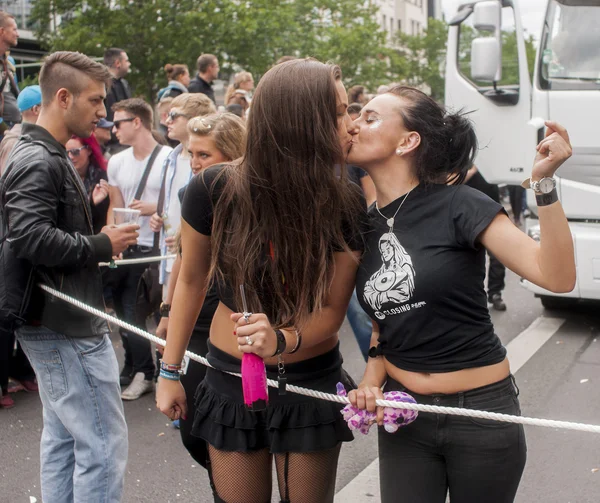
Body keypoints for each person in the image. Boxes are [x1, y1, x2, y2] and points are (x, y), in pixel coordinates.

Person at [346, 86, 575, 503]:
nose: (354, 124)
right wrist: (370, 382)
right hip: (406, 418)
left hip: (481, 415)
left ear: (408, 141)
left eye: (370, 117)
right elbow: (387, 322)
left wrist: (542, 183)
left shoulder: (461, 204)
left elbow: (556, 277)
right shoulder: (364, 225)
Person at [156, 59, 364, 503]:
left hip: (309, 383)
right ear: (302, 122)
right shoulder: (214, 187)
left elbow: (331, 310)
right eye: (340, 113)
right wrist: (169, 371)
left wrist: (282, 340)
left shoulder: (344, 200)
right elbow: (191, 281)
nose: (352, 126)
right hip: (230, 381)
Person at [1, 50, 139, 502]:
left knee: (64, 440)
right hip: (64, 325)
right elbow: (31, 239)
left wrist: (98, 238)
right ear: (63, 98)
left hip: (56, 322)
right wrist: (103, 244)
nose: (103, 111)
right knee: (100, 444)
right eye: (96, 100)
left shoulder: (40, 152)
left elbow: (37, 235)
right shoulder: (38, 158)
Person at [156, 111, 246, 462]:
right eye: (190, 153)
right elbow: (184, 261)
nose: (193, 162)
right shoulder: (191, 191)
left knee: (230, 431)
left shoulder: (251, 197)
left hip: (231, 319)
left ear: (233, 152)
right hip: (195, 317)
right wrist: (167, 310)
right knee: (194, 431)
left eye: (203, 155)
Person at [107, 97, 172, 399]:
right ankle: (143, 370)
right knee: (127, 314)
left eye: (118, 122)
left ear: (137, 122)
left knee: (162, 314)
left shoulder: (169, 158)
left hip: (160, 249)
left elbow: (182, 204)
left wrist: (155, 208)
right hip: (129, 248)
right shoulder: (116, 161)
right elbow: (116, 206)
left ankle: (164, 371)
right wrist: (111, 239)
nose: (113, 128)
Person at [149, 93, 216, 305]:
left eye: (174, 115)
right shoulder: (170, 158)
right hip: (168, 261)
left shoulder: (213, 162)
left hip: (196, 266)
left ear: (195, 118)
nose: (166, 121)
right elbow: (171, 205)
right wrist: (159, 216)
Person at [465, 165, 507, 311]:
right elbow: (451, 180)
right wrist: (476, 169)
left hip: (493, 215)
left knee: (498, 258)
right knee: (469, 261)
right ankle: (472, 298)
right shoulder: (465, 160)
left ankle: (495, 293)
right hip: (469, 217)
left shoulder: (491, 163)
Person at [66, 134, 110, 233]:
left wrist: (92, 204)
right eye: (66, 153)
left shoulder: (103, 178)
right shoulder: (63, 177)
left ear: (89, 150)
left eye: (75, 152)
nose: (70, 157)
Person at [0, 84, 41, 174]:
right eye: (46, 106)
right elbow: (7, 183)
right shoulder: (13, 143)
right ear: (36, 109)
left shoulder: (37, 136)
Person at [0, 12, 20, 135]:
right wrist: (4, 130)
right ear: (2, 31)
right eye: (14, 29)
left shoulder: (10, 63)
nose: (17, 34)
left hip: (15, 129)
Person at [103, 47, 131, 121]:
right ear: (118, 63)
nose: (129, 64)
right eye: (127, 61)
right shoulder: (101, 85)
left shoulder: (124, 84)